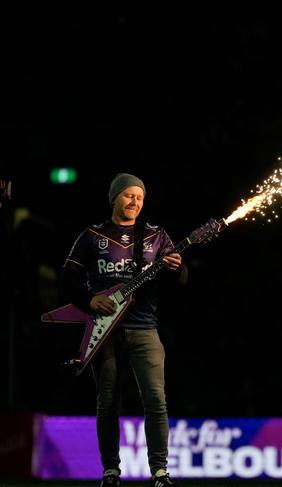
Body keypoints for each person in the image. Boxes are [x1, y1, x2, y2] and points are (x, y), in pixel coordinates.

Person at [59, 173, 186, 487]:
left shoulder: (157, 236)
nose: (135, 202)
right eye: (129, 195)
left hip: (145, 329)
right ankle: (110, 472)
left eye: (140, 197)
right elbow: (67, 280)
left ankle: (160, 473)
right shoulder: (91, 235)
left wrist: (178, 268)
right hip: (105, 333)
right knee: (107, 402)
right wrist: (90, 301)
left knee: (156, 401)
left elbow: (181, 282)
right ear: (114, 197)